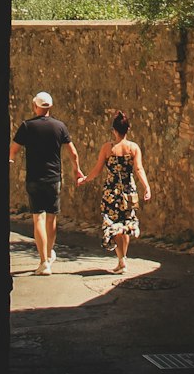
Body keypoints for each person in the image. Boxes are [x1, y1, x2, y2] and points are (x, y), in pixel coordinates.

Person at [9, 91, 85, 274]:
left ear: (35, 106)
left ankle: (43, 261)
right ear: (50, 107)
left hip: (34, 178)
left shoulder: (27, 126)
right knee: (51, 217)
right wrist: (77, 170)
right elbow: (73, 153)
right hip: (53, 178)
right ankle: (49, 255)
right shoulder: (59, 127)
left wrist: (11, 158)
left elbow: (13, 149)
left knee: (38, 218)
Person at [83, 110, 151, 273]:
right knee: (126, 224)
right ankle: (123, 259)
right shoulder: (133, 148)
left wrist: (85, 179)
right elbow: (139, 169)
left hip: (112, 190)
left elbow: (98, 169)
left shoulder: (108, 148)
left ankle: (121, 260)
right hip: (128, 189)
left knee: (114, 224)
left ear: (114, 130)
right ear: (128, 130)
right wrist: (147, 187)